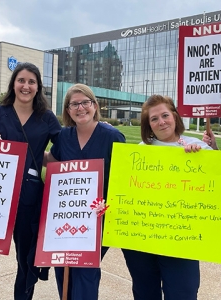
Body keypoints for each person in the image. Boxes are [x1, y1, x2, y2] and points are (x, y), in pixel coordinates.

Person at [0, 62, 61, 300]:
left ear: (38, 87)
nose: (26, 86)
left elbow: (64, 149)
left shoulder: (47, 117)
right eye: (21, 80)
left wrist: (96, 127)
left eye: (32, 81)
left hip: (29, 197)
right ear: (13, 84)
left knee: (25, 259)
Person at [122, 94, 212, 300]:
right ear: (148, 125)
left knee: (183, 292)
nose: (161, 122)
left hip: (180, 240)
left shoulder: (198, 148)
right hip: (143, 240)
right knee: (145, 293)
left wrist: (203, 160)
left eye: (165, 115)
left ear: (174, 116)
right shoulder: (140, 152)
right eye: (154, 119)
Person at [43, 83, 126, 300]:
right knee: (63, 267)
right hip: (66, 217)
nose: (81, 108)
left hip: (98, 219)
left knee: (86, 270)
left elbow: (124, 178)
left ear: (95, 105)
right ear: (68, 110)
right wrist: (23, 149)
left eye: (85, 102)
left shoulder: (112, 136)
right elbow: (52, 160)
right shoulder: (64, 136)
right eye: (74, 104)